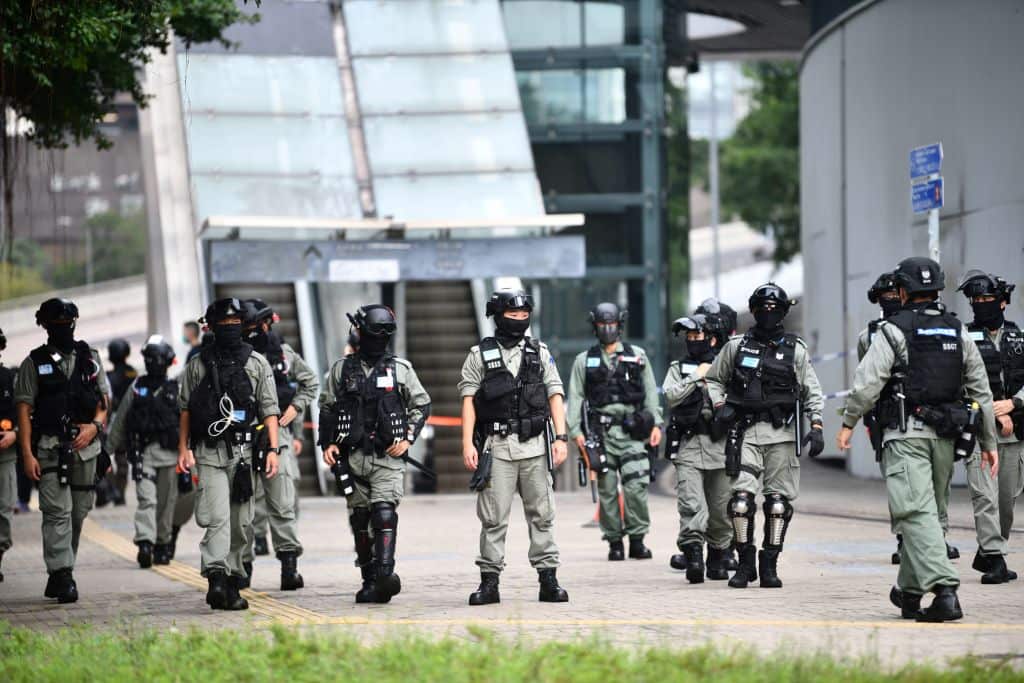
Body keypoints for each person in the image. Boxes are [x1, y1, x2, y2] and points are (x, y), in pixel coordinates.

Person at [837, 257, 998, 622]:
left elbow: (867, 383)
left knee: (914, 511)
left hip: (906, 435)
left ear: (904, 291)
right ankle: (909, 593)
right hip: (947, 437)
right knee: (926, 510)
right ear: (938, 290)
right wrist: (988, 443)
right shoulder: (957, 330)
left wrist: (848, 421)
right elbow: (981, 391)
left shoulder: (893, 331)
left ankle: (945, 591)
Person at [704, 283, 825, 589]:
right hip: (744, 433)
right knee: (740, 502)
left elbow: (812, 390)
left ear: (784, 312)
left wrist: (817, 426)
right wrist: (720, 405)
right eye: (762, 309)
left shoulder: (795, 349)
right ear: (754, 311)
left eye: (774, 309)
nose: (768, 314)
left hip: (781, 435)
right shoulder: (736, 347)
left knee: (778, 505)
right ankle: (745, 564)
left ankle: (769, 563)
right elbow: (714, 379)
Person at [459, 289, 569, 605]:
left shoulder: (539, 352)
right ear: (497, 317)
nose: (519, 322)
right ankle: (489, 583)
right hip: (497, 448)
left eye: (524, 317)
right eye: (512, 316)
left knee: (543, 514)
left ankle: (548, 579)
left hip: (535, 447)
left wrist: (560, 438)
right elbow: (468, 400)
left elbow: (555, 394)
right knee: (493, 518)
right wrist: (468, 443)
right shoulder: (479, 355)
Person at [319, 305, 430, 604]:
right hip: (351, 457)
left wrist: (407, 438)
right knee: (360, 518)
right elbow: (327, 407)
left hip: (387, 458)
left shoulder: (401, 370)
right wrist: (327, 443)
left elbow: (421, 405)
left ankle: (384, 575)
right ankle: (369, 578)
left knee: (383, 514)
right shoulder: (341, 369)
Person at [177, 298, 281, 611]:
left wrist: (273, 449)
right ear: (210, 327)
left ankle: (234, 577)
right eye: (223, 326)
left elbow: (269, 410)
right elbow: (184, 408)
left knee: (242, 521)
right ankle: (217, 580)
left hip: (245, 454)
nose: (230, 330)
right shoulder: (197, 365)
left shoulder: (257, 363)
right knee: (217, 519)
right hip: (209, 453)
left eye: (235, 324)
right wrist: (184, 448)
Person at [15, 298, 110, 603]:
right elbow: (24, 408)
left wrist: (94, 427)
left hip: (86, 448)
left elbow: (103, 402)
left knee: (78, 514)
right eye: (56, 325)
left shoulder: (90, 358)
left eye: (67, 324)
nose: (63, 329)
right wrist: (27, 454)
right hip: (49, 448)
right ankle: (62, 574)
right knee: (58, 513)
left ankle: (61, 570)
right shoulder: (34, 363)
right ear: (44, 326)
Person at [566, 302, 661, 561]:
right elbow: (574, 398)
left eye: (611, 324)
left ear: (620, 325)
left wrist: (656, 424)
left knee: (636, 487)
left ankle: (638, 539)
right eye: (602, 325)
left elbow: (651, 392)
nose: (607, 329)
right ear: (595, 327)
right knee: (607, 491)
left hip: (634, 432)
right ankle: (614, 542)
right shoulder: (584, 361)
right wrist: (576, 432)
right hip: (601, 434)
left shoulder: (637, 355)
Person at [241, 299, 318, 590]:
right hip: (243, 437)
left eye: (257, 324)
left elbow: (310, 382)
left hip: (279, 436)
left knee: (282, 503)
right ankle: (242, 568)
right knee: (244, 507)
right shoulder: (233, 355)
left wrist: (295, 409)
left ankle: (289, 567)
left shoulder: (283, 355)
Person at [956, 269, 1022, 584]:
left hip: (1014, 434)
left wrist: (1014, 404)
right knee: (985, 497)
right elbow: (960, 384)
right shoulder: (963, 338)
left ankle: (989, 550)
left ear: (1003, 302)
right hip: (980, 432)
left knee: (1005, 503)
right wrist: (995, 412)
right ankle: (995, 559)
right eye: (976, 300)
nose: (982, 304)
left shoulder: (1019, 337)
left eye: (988, 299)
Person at [664, 312, 734, 583]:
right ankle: (693, 556)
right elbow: (670, 396)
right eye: (689, 337)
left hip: (720, 446)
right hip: (689, 446)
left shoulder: (724, 366)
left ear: (712, 339)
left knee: (720, 509)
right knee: (692, 505)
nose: (693, 342)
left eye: (698, 336)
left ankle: (717, 557)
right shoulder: (677, 368)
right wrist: (696, 376)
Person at [108, 336, 180, 568]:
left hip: (167, 456)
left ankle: (158, 543)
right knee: (150, 501)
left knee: (161, 503)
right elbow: (120, 421)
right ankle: (149, 543)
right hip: (147, 456)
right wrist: (106, 452)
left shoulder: (172, 389)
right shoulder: (139, 387)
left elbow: (188, 423)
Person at [0, 327, 18, 581]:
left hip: (5, 455)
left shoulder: (10, 378)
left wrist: (14, 433)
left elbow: (26, 413)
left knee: (3, 508)